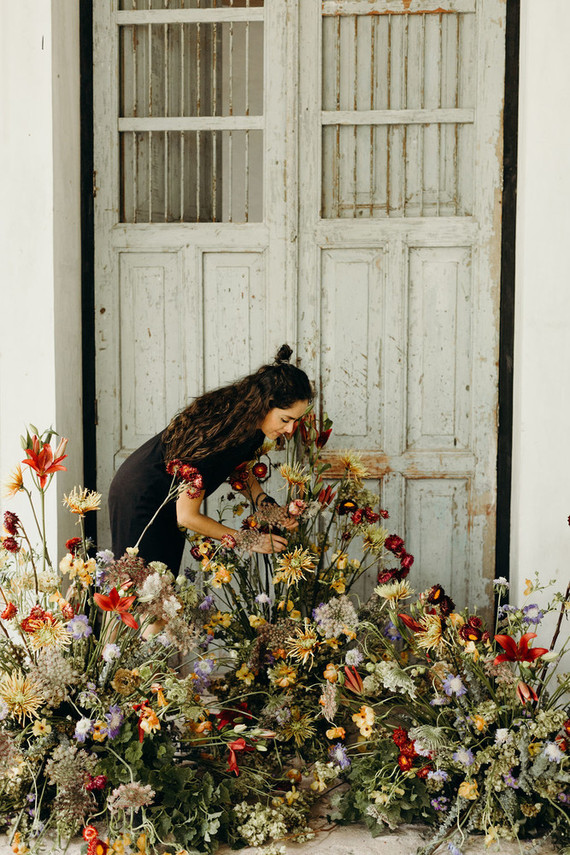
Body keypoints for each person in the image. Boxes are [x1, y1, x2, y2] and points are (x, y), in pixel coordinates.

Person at [108, 345, 312, 571]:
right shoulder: (216, 434)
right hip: (142, 495)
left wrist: (265, 503)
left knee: (162, 584)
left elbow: (237, 469)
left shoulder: (252, 425)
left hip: (167, 502)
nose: (290, 430)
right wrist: (248, 540)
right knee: (142, 588)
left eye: (296, 421)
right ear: (266, 404)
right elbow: (187, 517)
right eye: (285, 420)